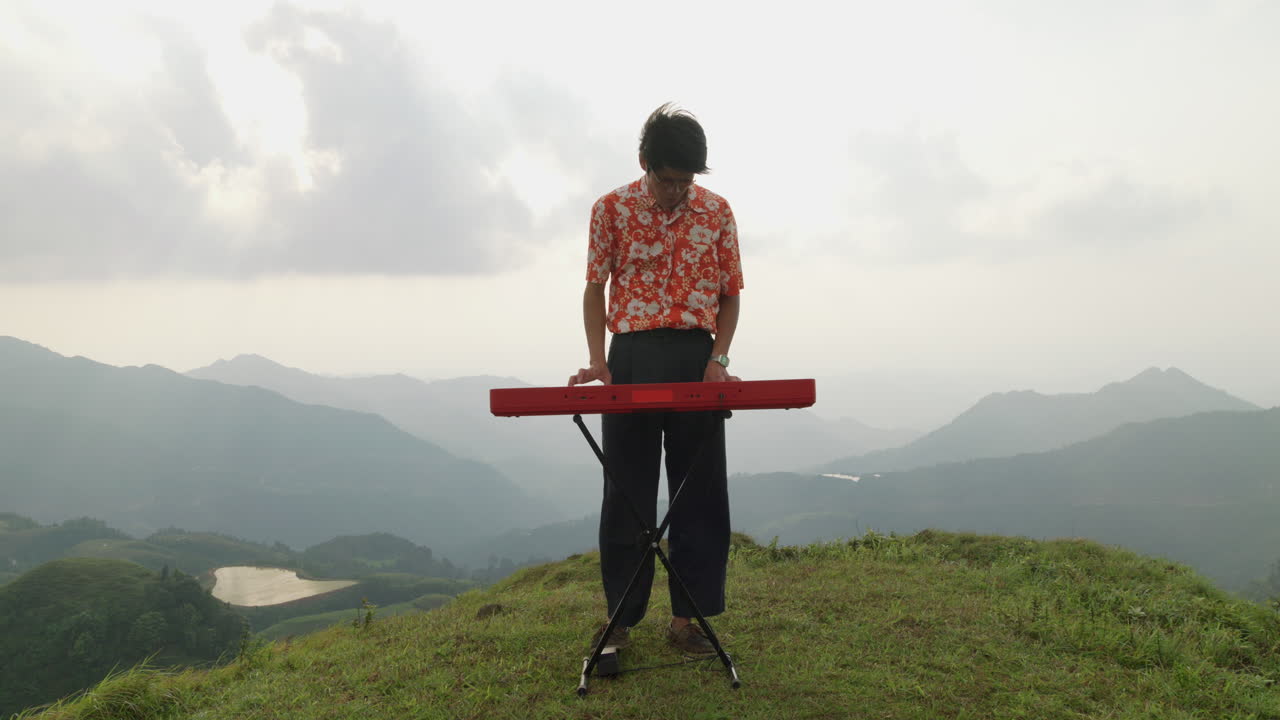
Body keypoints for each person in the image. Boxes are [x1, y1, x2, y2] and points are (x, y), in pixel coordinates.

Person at [568, 103, 744, 657]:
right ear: (644, 162)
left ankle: (687, 621)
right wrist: (599, 359)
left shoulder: (716, 212)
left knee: (699, 490)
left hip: (696, 357)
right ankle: (619, 622)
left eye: (685, 182)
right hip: (634, 355)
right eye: (667, 181)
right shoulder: (612, 209)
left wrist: (719, 358)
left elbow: (730, 294)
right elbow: (596, 287)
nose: (676, 193)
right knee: (627, 492)